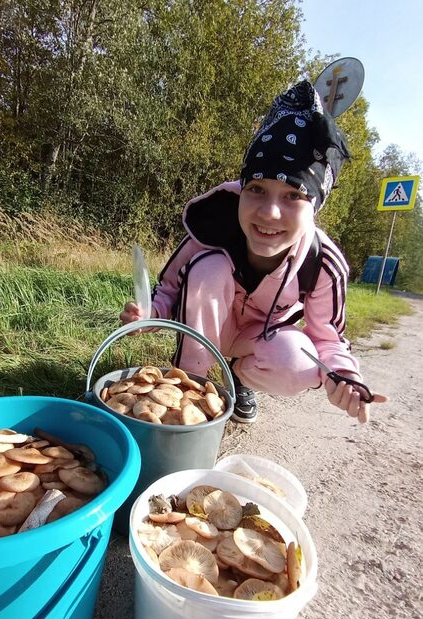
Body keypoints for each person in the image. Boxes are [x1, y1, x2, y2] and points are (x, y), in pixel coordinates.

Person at [120, 80, 387, 424]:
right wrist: (149, 314)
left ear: (316, 206)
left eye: (293, 195)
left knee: (302, 360)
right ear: (241, 191)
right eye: (257, 189)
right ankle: (189, 383)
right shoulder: (212, 227)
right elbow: (170, 289)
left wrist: (345, 376)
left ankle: (239, 378)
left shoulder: (323, 262)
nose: (269, 212)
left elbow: (329, 339)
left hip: (257, 340)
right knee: (210, 267)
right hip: (204, 331)